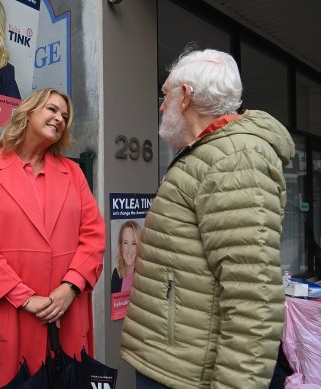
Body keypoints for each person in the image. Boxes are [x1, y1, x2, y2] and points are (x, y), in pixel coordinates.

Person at [120, 47, 295, 388]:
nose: (160, 105)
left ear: (185, 97)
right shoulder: (211, 154)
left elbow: (252, 296)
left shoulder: (233, 159)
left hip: (191, 373)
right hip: (179, 363)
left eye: (165, 94)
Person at [0, 88, 105, 388]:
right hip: (10, 314)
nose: (59, 118)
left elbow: (93, 237)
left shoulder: (74, 173)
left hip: (65, 314)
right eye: (52, 109)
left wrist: (70, 288)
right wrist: (25, 298)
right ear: (27, 112)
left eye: (65, 116)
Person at [110, 220, 141, 294]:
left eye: (133, 243)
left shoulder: (144, 276)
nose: (129, 249)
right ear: (121, 246)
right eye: (125, 243)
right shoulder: (116, 274)